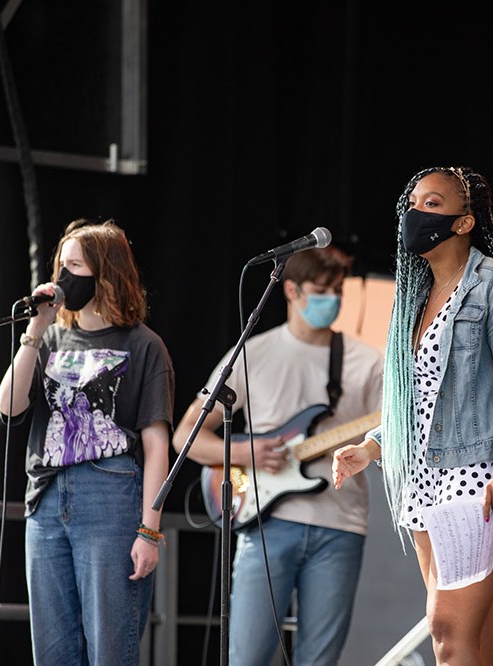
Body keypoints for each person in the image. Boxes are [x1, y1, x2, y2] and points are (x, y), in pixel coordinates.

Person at [332, 166, 493, 665]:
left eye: (432, 203)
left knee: (449, 631)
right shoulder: (412, 300)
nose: (416, 212)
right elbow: (421, 401)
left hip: (481, 472)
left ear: (464, 221)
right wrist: (373, 447)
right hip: (426, 481)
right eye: (413, 202)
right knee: (476, 642)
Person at [173, 246, 384, 665]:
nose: (333, 300)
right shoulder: (253, 354)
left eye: (338, 290)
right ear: (290, 289)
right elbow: (187, 436)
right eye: (322, 290)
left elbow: (393, 434)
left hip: (340, 524)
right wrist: (244, 452)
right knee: (246, 658)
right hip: (266, 525)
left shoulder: (369, 361)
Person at [0, 218, 174, 666]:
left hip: (110, 494)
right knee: (52, 649)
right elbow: (10, 406)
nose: (62, 277)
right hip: (47, 499)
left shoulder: (143, 345)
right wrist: (34, 330)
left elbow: (157, 445)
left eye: (74, 266)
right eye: (61, 265)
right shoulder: (50, 338)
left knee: (110, 646)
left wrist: (149, 529)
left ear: (105, 272)